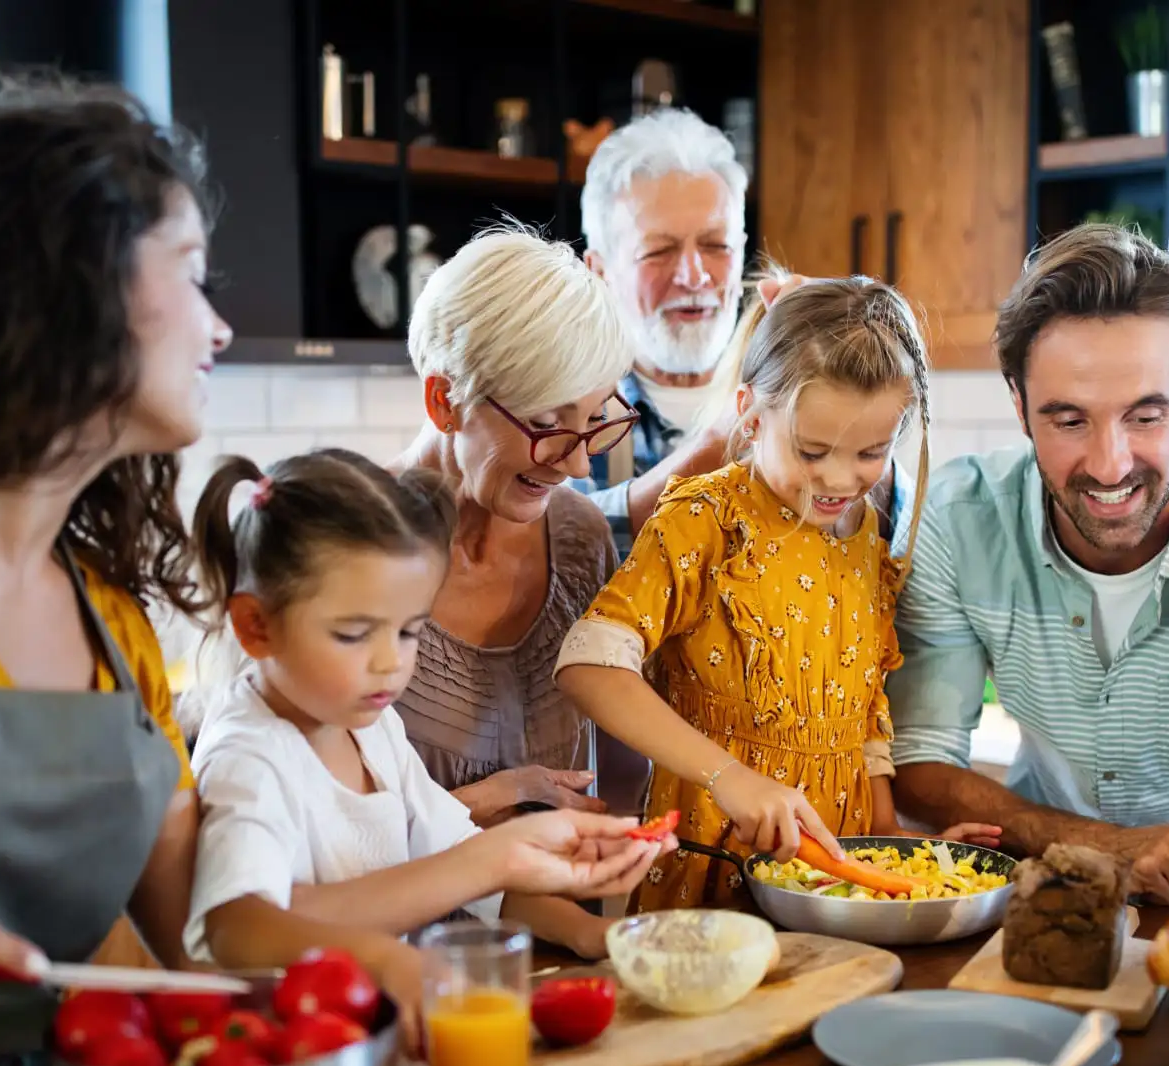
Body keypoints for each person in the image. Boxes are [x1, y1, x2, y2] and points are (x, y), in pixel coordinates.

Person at [183, 450, 672, 1037]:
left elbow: (463, 867)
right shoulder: (250, 753)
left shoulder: (370, 725)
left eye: (410, 630)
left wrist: (587, 931)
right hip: (308, 1048)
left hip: (394, 1034)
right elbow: (238, 927)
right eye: (353, 634)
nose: (392, 663)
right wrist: (387, 957)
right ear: (256, 625)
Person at [556, 276, 998, 911]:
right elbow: (587, 666)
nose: (840, 480)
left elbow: (865, 718)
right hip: (716, 862)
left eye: (871, 452)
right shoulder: (705, 521)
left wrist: (893, 848)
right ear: (750, 410)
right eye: (812, 450)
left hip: (837, 875)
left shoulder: (866, 534)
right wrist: (728, 776)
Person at [888, 223, 1169, 907]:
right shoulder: (958, 521)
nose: (1110, 465)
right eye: (1070, 420)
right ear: (1020, 409)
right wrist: (1106, 845)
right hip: (1045, 893)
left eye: (1145, 416)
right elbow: (921, 761)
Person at [0, 80, 230, 1045]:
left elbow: (181, 951)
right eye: (193, 271)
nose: (219, 326)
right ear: (74, 277)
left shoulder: (113, 626)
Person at [392, 226, 651, 839]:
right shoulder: (342, 545)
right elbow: (307, 828)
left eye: (594, 422)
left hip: (562, 929)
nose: (578, 464)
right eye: (545, 423)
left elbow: (617, 775)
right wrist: (492, 800)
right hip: (399, 934)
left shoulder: (578, 538)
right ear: (443, 402)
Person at [577, 108, 908, 559]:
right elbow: (559, 548)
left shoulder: (794, 368)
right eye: (658, 251)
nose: (694, 276)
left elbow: (902, 532)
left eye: (717, 246)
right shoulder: (571, 405)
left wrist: (847, 371)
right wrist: (715, 449)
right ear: (599, 270)